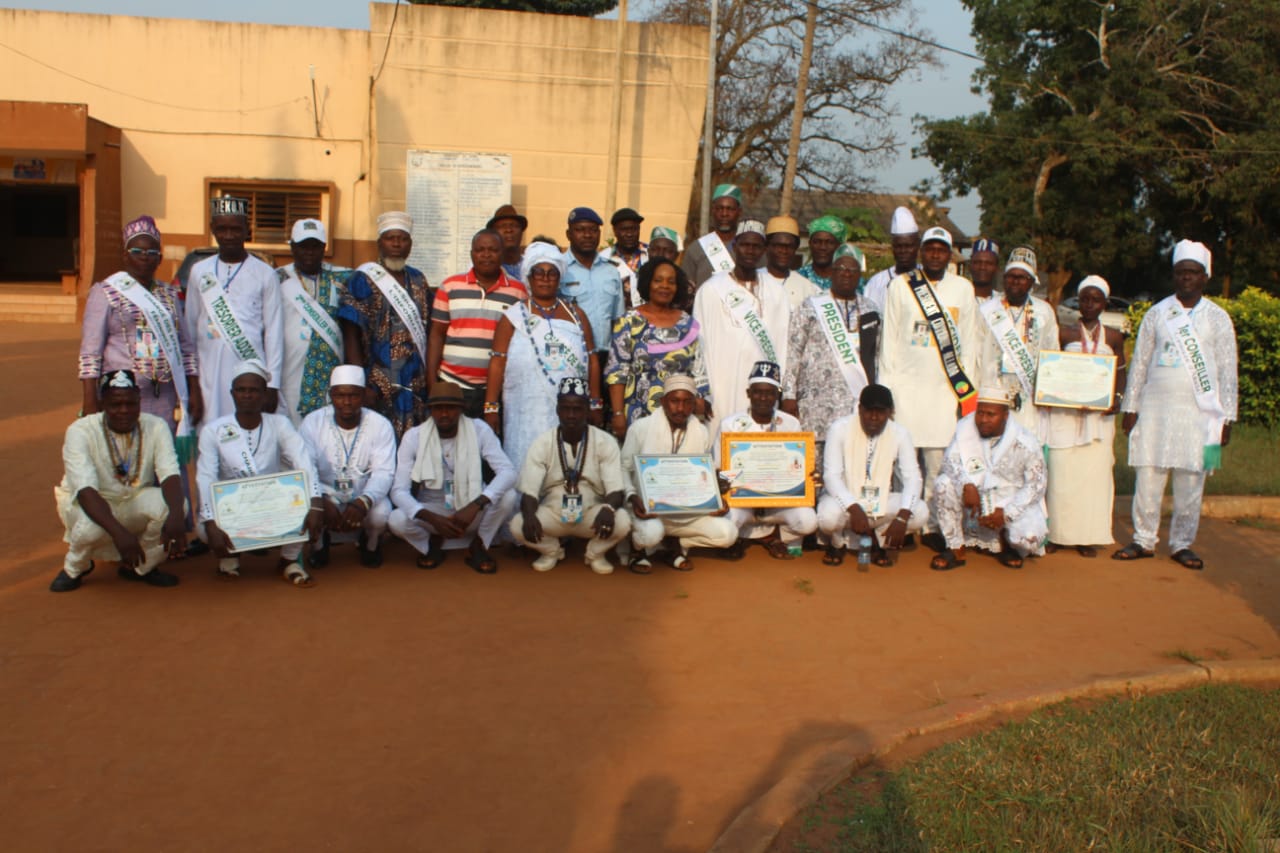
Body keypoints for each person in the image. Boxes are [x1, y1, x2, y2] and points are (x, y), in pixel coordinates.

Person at [1114, 240, 1237, 570]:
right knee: (1148, 476)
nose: (1186, 278)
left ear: (1204, 277)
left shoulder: (1218, 318)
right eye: (1181, 272)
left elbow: (1228, 370)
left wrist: (1228, 417)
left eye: (1193, 273)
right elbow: (1139, 363)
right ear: (1174, 275)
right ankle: (1143, 539)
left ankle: (1183, 543)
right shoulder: (1157, 313)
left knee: (1191, 479)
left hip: (1200, 415)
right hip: (1154, 410)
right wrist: (1131, 408)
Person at [79, 216, 201, 546]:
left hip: (164, 397)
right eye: (137, 251)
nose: (145, 257)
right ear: (125, 254)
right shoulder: (106, 292)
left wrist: (192, 390)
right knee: (127, 463)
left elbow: (186, 346)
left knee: (165, 461)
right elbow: (90, 353)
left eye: (151, 252)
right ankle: (125, 532)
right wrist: (90, 402)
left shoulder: (169, 295)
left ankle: (170, 532)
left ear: (160, 257)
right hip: (123, 398)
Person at [877, 225, 982, 535]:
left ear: (949, 254)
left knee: (939, 468)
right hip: (906, 393)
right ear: (922, 252)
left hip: (945, 395)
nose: (936, 254)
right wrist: (887, 393)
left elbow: (970, 346)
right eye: (930, 248)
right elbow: (889, 344)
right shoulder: (901, 286)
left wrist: (968, 398)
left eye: (941, 249)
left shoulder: (963, 288)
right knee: (904, 468)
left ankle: (937, 528)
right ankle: (905, 527)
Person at [50, 370, 185, 592]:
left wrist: (177, 517)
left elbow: (169, 473)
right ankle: (75, 567)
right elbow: (85, 491)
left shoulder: (155, 425)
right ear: (103, 404)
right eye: (115, 405)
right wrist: (121, 535)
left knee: (175, 507)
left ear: (140, 402)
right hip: (92, 501)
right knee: (90, 527)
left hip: (133, 497)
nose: (124, 411)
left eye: (131, 404)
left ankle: (142, 567)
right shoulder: (80, 431)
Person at [195, 360, 324, 586]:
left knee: (304, 501)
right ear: (232, 393)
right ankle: (229, 561)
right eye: (241, 390)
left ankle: (288, 561)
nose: (247, 395)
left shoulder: (280, 423)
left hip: (271, 503)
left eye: (254, 390)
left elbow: (302, 460)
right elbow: (206, 476)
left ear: (264, 394)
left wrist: (315, 502)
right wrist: (210, 520)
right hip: (234, 506)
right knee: (205, 529)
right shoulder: (213, 430)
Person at [485, 242, 602, 476]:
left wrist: (595, 403)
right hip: (523, 408)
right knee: (524, 465)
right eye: (539, 272)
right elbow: (498, 362)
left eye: (552, 273)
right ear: (529, 277)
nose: (545, 279)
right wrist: (490, 407)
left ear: (559, 278)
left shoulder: (576, 315)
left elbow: (592, 360)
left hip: (567, 408)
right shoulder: (514, 316)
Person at [389, 381, 517, 573]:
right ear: (430, 410)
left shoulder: (479, 429)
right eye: (438, 408)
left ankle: (479, 545)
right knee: (396, 520)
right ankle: (430, 546)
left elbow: (508, 471)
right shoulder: (414, 436)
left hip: (472, 509)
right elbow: (399, 491)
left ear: (462, 409)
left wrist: (476, 505)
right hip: (434, 511)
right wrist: (432, 518)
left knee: (509, 496)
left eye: (451, 408)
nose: (445, 414)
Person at [510, 378, 631, 575]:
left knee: (623, 520)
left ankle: (594, 553)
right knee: (518, 524)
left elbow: (616, 489)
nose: (571, 415)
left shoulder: (605, 441)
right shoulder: (542, 442)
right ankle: (552, 551)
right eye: (566, 409)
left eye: (578, 409)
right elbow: (529, 491)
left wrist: (608, 508)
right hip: (554, 513)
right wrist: (530, 515)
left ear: (587, 410)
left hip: (592, 514)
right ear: (557, 410)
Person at [620, 375, 736, 572]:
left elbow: (705, 473)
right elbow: (623, 468)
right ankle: (637, 550)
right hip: (649, 511)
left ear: (694, 404)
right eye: (674, 401)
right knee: (650, 534)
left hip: (686, 513)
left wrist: (716, 499)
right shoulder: (640, 428)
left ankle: (674, 544)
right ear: (663, 401)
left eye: (687, 402)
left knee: (728, 534)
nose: (680, 408)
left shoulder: (701, 431)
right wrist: (632, 497)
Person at [1045, 275, 1126, 557]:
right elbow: (1051, 370)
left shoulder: (1114, 337)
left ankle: (1087, 536)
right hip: (1065, 416)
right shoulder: (1064, 333)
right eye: (1085, 299)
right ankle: (1056, 534)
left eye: (1096, 299)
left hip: (1098, 419)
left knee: (1093, 478)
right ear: (1078, 301)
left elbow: (1120, 373)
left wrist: (1117, 399)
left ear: (1105, 303)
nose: (1089, 304)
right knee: (1061, 474)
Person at [184, 196, 284, 423]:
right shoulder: (199, 271)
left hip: (250, 372)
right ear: (212, 229)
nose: (228, 236)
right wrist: (192, 384)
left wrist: (273, 383)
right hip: (207, 373)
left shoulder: (264, 273)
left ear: (246, 230)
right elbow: (190, 329)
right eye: (222, 229)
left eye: (235, 229)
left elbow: (274, 332)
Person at [929, 386, 1048, 571]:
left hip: (1009, 501)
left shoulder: (1025, 441)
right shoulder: (965, 428)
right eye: (980, 413)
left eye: (990, 415)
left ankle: (1007, 544)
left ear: (1006, 416)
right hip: (974, 500)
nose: (983, 420)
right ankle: (955, 548)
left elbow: (1037, 485)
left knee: (1029, 537)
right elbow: (950, 462)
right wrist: (967, 485)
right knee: (943, 483)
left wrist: (1007, 513)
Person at [338, 211, 433, 441]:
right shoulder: (363, 278)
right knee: (379, 442)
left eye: (403, 239)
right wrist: (360, 381)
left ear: (410, 244)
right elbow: (351, 332)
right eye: (391, 238)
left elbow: (428, 331)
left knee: (414, 446)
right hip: (377, 383)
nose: (397, 244)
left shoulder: (419, 280)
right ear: (380, 243)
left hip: (414, 383)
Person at [782, 243, 880, 457]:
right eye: (841, 269)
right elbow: (793, 351)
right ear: (832, 273)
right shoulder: (810, 305)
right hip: (814, 404)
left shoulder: (871, 309)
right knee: (814, 468)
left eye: (852, 270)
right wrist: (788, 394)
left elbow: (878, 356)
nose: (846, 274)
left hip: (855, 403)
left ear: (859, 275)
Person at [715, 361, 818, 560]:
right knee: (725, 522)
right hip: (742, 502)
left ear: (777, 395)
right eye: (757, 392)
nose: (763, 398)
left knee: (808, 521)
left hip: (777, 504)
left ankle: (775, 535)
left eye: (770, 393)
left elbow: (798, 466)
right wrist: (731, 482)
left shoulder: (791, 424)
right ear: (748, 393)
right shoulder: (731, 425)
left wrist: (808, 476)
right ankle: (739, 538)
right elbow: (720, 467)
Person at [298, 365, 397, 569]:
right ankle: (319, 545)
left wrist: (363, 501)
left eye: (353, 395)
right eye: (340, 395)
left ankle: (370, 545)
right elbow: (306, 468)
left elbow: (384, 472)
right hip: (325, 493)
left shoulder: (380, 424)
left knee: (381, 515)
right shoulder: (312, 422)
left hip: (363, 492)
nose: (347, 402)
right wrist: (322, 501)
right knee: (304, 507)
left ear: (363, 395)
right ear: (331, 395)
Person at [692, 220, 791, 421]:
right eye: (745, 245)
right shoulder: (711, 290)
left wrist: (783, 389)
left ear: (763, 250)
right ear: (735, 246)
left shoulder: (777, 292)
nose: (750, 251)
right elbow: (697, 344)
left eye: (756, 246)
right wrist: (702, 391)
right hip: (721, 384)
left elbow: (785, 344)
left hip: (764, 388)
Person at [817, 384, 925, 566]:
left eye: (881, 412)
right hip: (846, 502)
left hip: (879, 500)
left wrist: (902, 517)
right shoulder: (839, 428)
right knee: (828, 517)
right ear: (859, 409)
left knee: (920, 512)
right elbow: (831, 476)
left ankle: (880, 542)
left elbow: (913, 477)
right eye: (869, 411)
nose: (874, 417)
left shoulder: (900, 433)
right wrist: (854, 508)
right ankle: (837, 543)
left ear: (890, 412)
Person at [604, 257, 710, 439]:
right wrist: (618, 414)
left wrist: (700, 399)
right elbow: (617, 371)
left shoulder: (687, 323)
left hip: (680, 413)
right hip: (638, 412)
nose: (665, 286)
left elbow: (697, 368)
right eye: (658, 280)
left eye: (671, 282)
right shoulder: (629, 321)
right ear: (647, 283)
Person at [427, 229, 526, 418]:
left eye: (493, 250)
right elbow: (436, 335)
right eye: (480, 250)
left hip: (497, 389)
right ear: (472, 254)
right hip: (452, 384)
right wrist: (432, 382)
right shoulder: (450, 286)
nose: (486, 255)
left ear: (502, 253)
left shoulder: (518, 292)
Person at [979, 246, 1058, 441]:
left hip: (1028, 395)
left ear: (1031, 281)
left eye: (1022, 277)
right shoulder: (988, 310)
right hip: (992, 390)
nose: (1015, 281)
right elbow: (976, 354)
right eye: (1011, 276)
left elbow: (1052, 354)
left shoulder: (1044, 312)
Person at [276, 217, 347, 424]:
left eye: (315, 246)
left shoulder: (342, 279)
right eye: (303, 246)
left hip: (329, 373)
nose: (309, 252)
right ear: (292, 248)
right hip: (290, 374)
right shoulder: (278, 279)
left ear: (324, 248)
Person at [560, 207, 624, 374]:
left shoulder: (611, 271)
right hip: (570, 355)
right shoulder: (559, 269)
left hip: (606, 356)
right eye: (580, 230)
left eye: (593, 230)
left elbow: (618, 319)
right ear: (568, 234)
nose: (587, 235)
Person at [681, 183, 742, 287]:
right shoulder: (696, 248)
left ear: (739, 212)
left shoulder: (749, 247)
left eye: (730, 209)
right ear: (713, 211)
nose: (724, 214)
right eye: (719, 209)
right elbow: (685, 288)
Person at [863, 206, 921, 315]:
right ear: (892, 248)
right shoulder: (877, 283)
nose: (903, 251)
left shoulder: (927, 278)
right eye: (898, 246)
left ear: (917, 246)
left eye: (908, 246)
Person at [759, 215, 819, 310]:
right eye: (779, 246)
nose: (784, 251)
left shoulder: (807, 288)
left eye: (789, 246)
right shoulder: (754, 280)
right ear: (766, 247)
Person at [600, 207, 647, 308]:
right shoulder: (604, 258)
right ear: (615, 231)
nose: (629, 234)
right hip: (617, 319)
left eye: (633, 229)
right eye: (624, 230)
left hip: (649, 319)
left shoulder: (650, 254)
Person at [797, 215, 847, 291]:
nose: (822, 247)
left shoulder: (849, 280)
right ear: (810, 244)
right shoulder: (798, 278)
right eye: (817, 242)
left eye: (829, 242)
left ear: (839, 246)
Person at [487, 204, 528, 281]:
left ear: (521, 232)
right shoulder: (484, 267)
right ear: (493, 233)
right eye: (502, 226)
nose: (509, 230)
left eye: (514, 225)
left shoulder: (531, 266)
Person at [968, 237, 1001, 305]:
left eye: (989, 263)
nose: (982, 267)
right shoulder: (959, 297)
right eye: (977, 262)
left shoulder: (1003, 301)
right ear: (970, 266)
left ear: (997, 268)